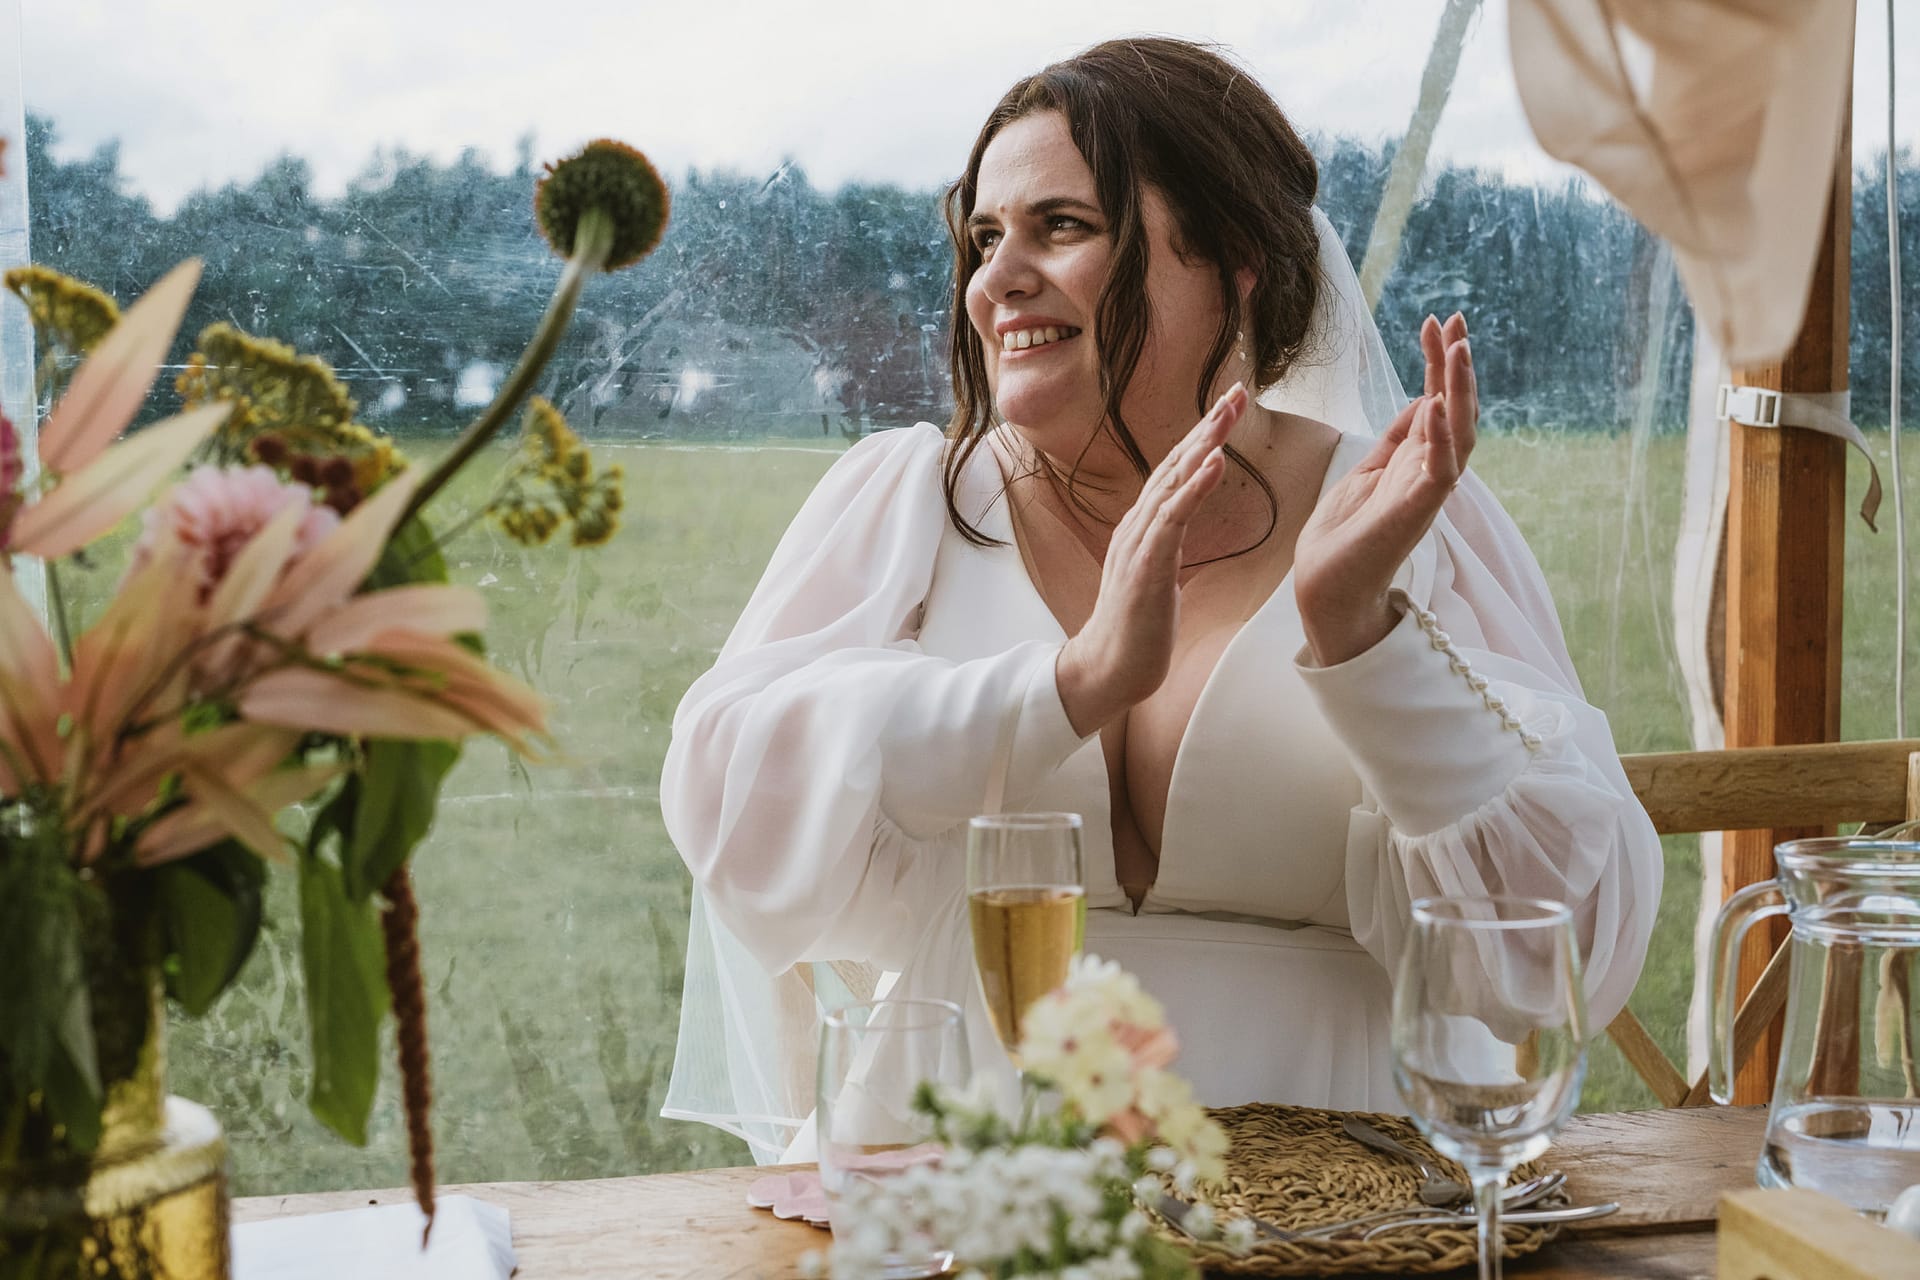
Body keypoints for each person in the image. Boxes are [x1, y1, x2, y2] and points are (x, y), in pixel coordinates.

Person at [659, 36, 1662, 1161]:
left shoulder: (1398, 514)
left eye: (1063, 226)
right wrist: (1062, 686)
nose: (996, 279)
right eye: (985, 238)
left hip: (1347, 1176)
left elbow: (1563, 950)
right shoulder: (909, 502)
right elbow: (735, 814)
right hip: (960, 1163)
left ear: (1233, 257)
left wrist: (1361, 639)